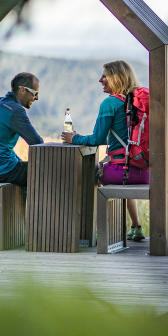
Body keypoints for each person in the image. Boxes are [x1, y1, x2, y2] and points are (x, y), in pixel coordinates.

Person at [61, 61, 149, 242]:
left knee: (90, 176)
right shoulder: (137, 102)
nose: (100, 80)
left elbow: (97, 140)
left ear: (116, 78)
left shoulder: (110, 103)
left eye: (104, 76)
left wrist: (74, 138)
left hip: (120, 174)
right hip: (144, 173)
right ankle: (136, 226)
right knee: (123, 171)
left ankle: (96, 231)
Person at [0, 72, 43, 188]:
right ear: (22, 89)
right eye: (34, 93)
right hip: (0, 171)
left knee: (26, 169)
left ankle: (26, 206)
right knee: (46, 172)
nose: (36, 97)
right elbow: (37, 142)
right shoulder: (15, 110)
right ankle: (39, 207)